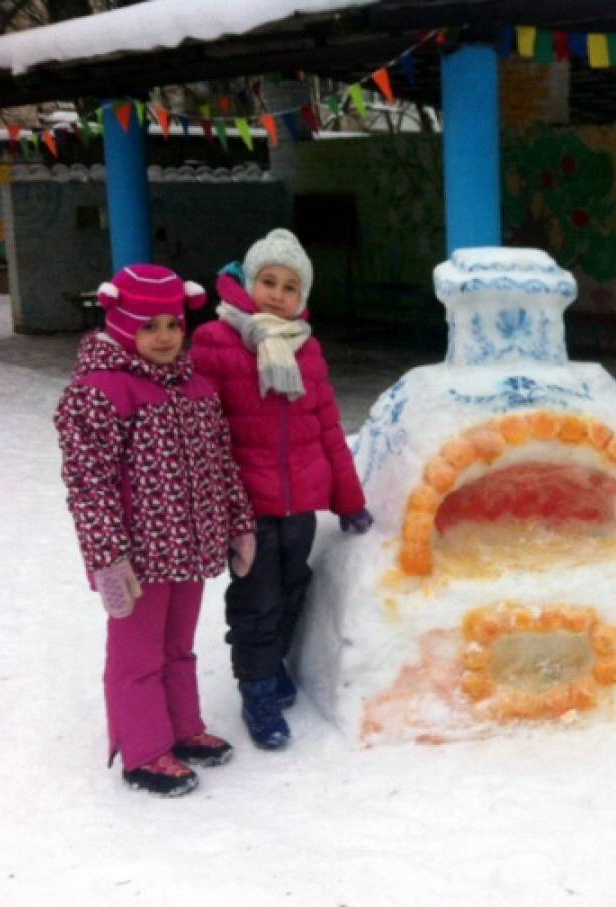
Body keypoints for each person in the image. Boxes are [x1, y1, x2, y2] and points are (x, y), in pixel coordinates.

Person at [54, 264, 256, 797]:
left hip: (190, 547)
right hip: (137, 559)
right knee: (137, 653)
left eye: (172, 323)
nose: (164, 337)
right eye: (149, 326)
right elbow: (88, 486)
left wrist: (238, 525)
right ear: (120, 323)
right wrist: (108, 560)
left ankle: (182, 728)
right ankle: (144, 752)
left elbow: (222, 462)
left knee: (179, 646)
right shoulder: (98, 394)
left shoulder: (196, 387)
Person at [191, 228, 372, 750]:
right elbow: (205, 431)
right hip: (246, 507)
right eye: (267, 281)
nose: (276, 293)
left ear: (303, 298)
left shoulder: (306, 349)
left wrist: (350, 500)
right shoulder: (217, 342)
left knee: (294, 587)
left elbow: (329, 428)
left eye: (290, 287)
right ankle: (257, 688)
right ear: (249, 283)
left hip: (299, 506)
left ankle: (272, 665)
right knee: (256, 599)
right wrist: (216, 504)